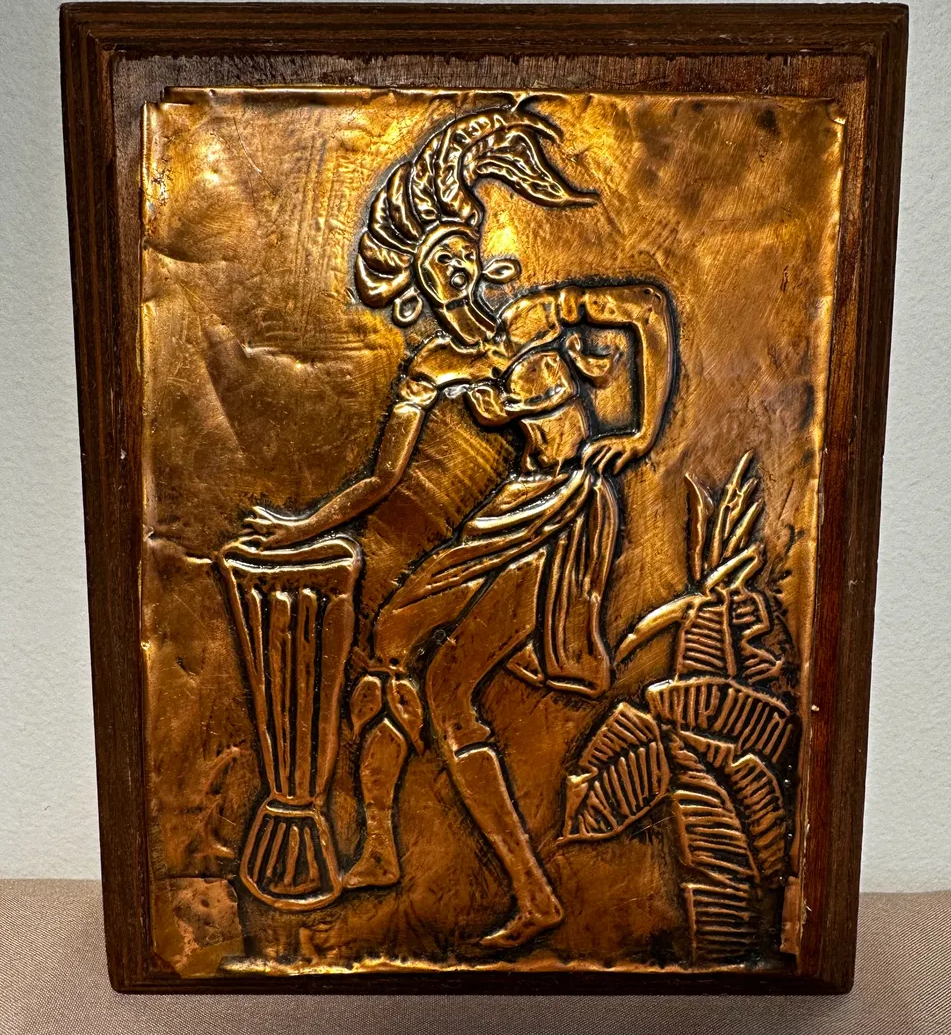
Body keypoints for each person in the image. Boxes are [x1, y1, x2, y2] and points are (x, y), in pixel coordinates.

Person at [244, 103, 676, 949]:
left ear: (473, 255)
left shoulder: (532, 321)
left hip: (564, 512)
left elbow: (650, 308)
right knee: (389, 638)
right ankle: (379, 850)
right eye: (430, 264)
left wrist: (640, 430)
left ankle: (534, 895)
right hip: (511, 510)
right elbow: (381, 479)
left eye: (455, 254)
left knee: (448, 689)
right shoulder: (435, 364)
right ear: (416, 281)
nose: (448, 272)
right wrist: (300, 529)